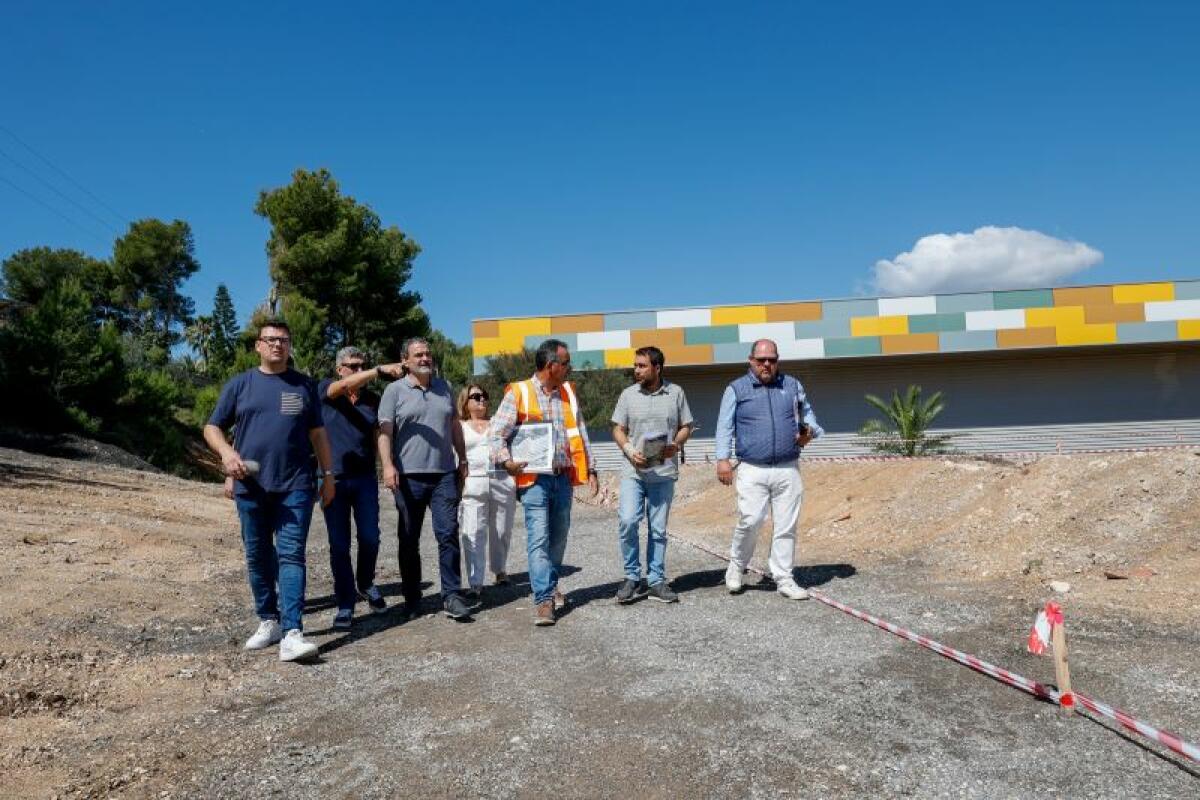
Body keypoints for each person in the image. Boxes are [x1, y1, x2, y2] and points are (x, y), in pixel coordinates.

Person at [203, 320, 336, 662]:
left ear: (290, 346)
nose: (278, 345)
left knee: (292, 554)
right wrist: (228, 455)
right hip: (251, 486)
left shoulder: (304, 385)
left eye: (284, 340)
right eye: (271, 340)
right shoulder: (240, 385)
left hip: (295, 485)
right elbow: (212, 427)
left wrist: (328, 475)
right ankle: (268, 620)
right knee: (258, 555)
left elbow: (318, 435)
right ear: (258, 346)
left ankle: (292, 631)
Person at [489, 339, 599, 626]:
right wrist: (506, 461)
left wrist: (593, 469)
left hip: (562, 479)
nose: (569, 368)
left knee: (558, 539)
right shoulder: (520, 392)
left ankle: (549, 585)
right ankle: (544, 600)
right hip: (534, 481)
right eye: (566, 363)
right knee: (538, 539)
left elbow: (581, 432)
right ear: (552, 366)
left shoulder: (568, 394)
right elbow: (496, 433)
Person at [715, 338, 823, 600]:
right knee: (750, 521)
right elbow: (724, 427)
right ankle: (736, 567)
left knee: (787, 526)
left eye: (772, 360)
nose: (767, 364)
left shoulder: (792, 386)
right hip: (752, 468)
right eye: (761, 359)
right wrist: (722, 459)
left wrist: (810, 432)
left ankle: (784, 578)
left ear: (777, 361)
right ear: (751, 360)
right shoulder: (736, 389)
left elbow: (809, 417)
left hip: (788, 468)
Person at [377, 337, 474, 621]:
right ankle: (412, 599)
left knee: (448, 534)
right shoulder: (394, 391)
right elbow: (384, 432)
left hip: (444, 473)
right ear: (405, 360)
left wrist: (463, 458)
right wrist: (387, 466)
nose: (425, 358)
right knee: (409, 539)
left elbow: (454, 425)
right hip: (408, 476)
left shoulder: (444, 388)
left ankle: (452, 595)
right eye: (418, 354)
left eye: (428, 354)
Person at [318, 347, 406, 630]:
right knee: (339, 544)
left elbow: (379, 434)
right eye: (352, 366)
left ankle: (366, 583)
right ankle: (345, 601)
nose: (358, 371)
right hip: (333, 479)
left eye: (362, 366)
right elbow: (341, 388)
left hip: (365, 479)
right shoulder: (326, 391)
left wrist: (388, 465)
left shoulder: (372, 400)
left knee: (370, 538)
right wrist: (378, 370)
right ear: (339, 369)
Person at [610, 346, 695, 604]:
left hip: (663, 471)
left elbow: (686, 426)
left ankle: (656, 580)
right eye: (635, 365)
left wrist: (676, 445)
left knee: (658, 529)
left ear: (657, 368)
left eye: (642, 366)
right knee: (627, 520)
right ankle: (632, 578)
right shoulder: (627, 395)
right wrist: (627, 448)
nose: (636, 370)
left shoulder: (676, 393)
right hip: (633, 471)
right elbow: (618, 429)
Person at [456, 383, 517, 597]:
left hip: (501, 479)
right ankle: (475, 582)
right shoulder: (459, 426)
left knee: (502, 529)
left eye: (484, 395)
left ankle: (500, 570)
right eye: (475, 396)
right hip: (473, 481)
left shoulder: (498, 424)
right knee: (472, 532)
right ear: (465, 402)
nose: (481, 399)